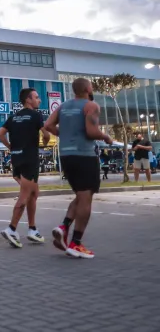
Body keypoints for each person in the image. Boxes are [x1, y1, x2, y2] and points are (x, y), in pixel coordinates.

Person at [43, 78, 112, 259]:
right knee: (86, 199)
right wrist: (106, 137)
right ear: (88, 89)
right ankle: (76, 243)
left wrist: (64, 134)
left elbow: (48, 125)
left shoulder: (63, 106)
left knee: (81, 196)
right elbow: (91, 131)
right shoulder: (91, 106)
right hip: (84, 156)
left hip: (66, 156)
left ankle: (64, 227)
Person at [0, 88, 51, 249]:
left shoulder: (13, 117)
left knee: (34, 193)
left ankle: (32, 229)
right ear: (28, 100)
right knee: (25, 195)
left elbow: (0, 134)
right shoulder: (36, 115)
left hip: (17, 159)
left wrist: (10, 147)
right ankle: (11, 228)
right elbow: (46, 135)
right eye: (37, 97)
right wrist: (44, 146)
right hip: (30, 158)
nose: (39, 100)